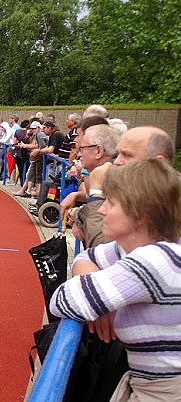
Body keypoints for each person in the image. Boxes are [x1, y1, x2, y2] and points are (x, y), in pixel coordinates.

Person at [50, 159, 181, 400]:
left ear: (141, 214)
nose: (100, 210)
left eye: (111, 202)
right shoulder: (136, 247)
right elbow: (86, 256)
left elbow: (61, 299)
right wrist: (100, 291)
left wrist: (98, 296)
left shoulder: (152, 260)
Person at [63, 126, 175, 248]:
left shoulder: (156, 202)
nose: (116, 161)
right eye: (118, 154)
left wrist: (95, 193)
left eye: (127, 155)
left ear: (158, 162)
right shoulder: (140, 190)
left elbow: (101, 245)